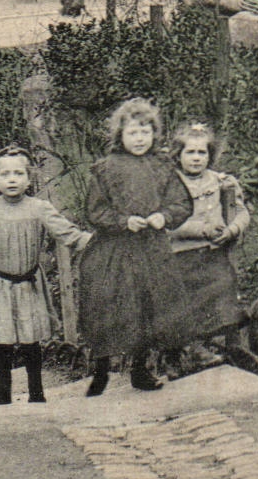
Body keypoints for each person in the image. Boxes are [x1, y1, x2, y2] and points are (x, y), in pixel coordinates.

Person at [77, 99, 193, 395]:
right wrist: (123, 221)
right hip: (113, 251)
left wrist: (162, 216)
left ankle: (141, 369)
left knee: (148, 306)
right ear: (120, 136)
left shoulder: (163, 167)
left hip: (151, 250)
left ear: (154, 134)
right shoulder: (106, 168)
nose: (139, 139)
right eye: (132, 133)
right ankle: (100, 371)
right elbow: (94, 211)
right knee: (108, 307)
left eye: (145, 132)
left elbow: (181, 203)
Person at [0, 146, 93, 405]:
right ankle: (3, 396)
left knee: (31, 339)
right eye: (5, 174)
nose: (12, 179)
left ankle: (37, 393)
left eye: (19, 173)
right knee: (3, 341)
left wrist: (99, 243)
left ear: (29, 177)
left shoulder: (39, 208)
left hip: (28, 282)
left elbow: (69, 234)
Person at [163, 123, 258, 378]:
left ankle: (234, 347)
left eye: (202, 153)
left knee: (225, 289)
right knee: (185, 302)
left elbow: (242, 213)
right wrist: (200, 229)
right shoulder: (169, 186)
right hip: (182, 255)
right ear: (178, 155)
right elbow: (166, 225)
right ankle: (186, 352)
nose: (197, 158)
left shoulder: (221, 182)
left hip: (214, 252)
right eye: (190, 152)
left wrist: (231, 231)